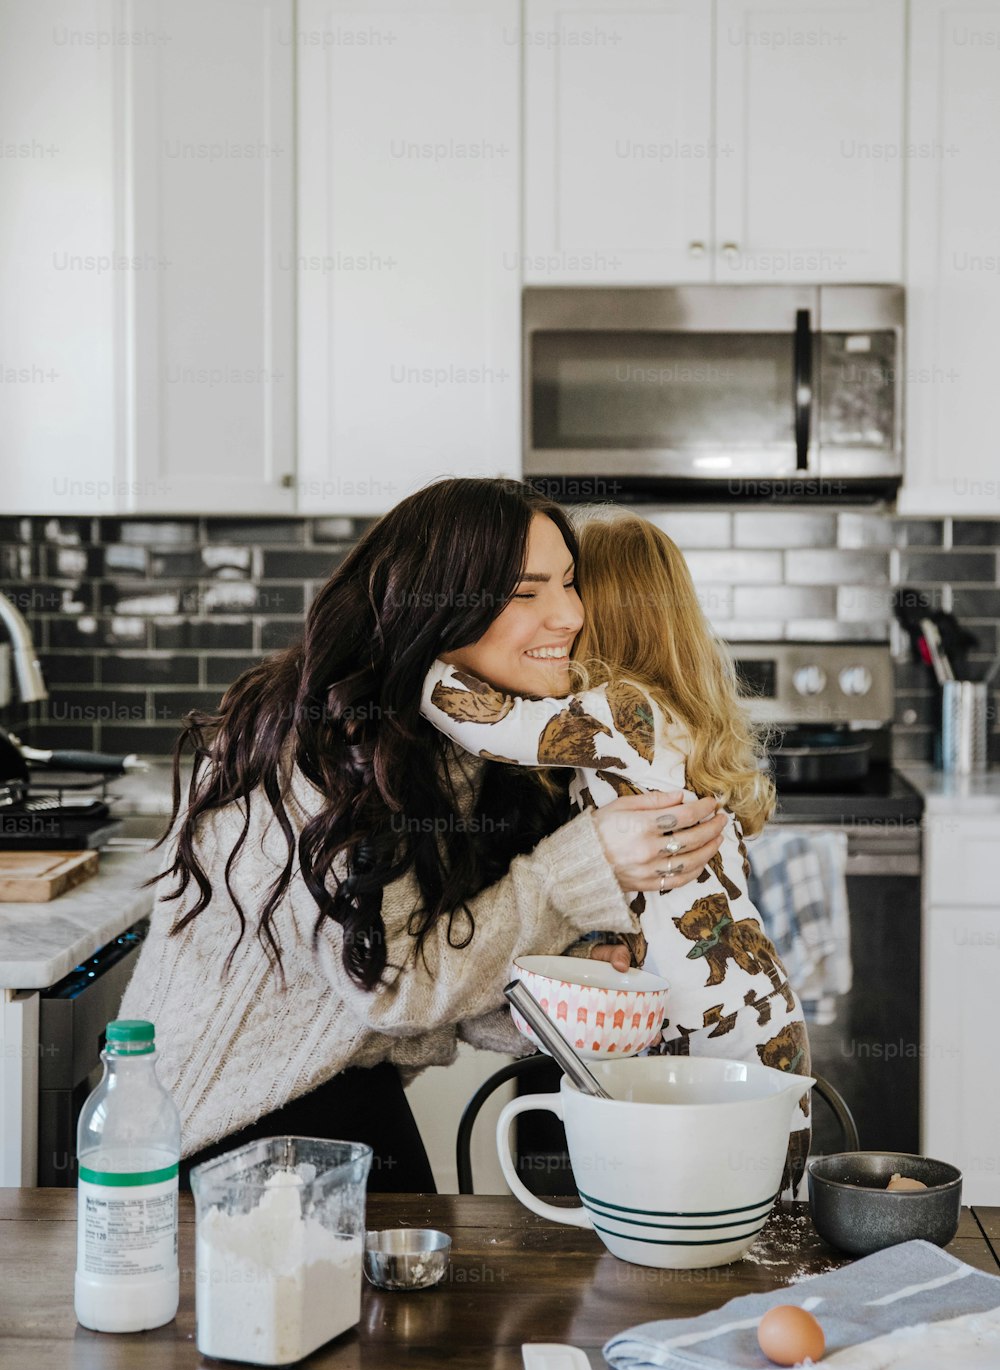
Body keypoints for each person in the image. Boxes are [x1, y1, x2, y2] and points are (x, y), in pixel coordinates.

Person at [118, 479, 727, 1190]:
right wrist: (586, 865)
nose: (568, 615)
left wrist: (575, 977)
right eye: (527, 593)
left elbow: (463, 981)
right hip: (212, 1129)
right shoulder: (317, 746)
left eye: (569, 583)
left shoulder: (473, 742)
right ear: (439, 605)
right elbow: (398, 990)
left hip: (341, 1085)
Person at [421, 508, 812, 1195]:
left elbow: (489, 727)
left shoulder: (623, 711)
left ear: (596, 614)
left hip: (706, 1026)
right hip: (749, 1010)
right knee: (754, 1210)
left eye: (571, 593)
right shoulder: (673, 722)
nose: (559, 616)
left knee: (703, 1207)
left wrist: (419, 655)